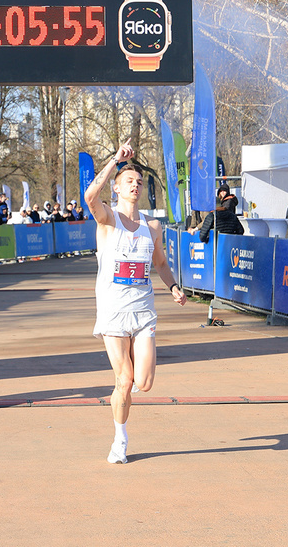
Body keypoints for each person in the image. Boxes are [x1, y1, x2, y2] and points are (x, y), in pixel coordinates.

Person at [85, 139, 186, 464]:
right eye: (129, 180)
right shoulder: (107, 220)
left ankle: (122, 394)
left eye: (140, 182)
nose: (135, 185)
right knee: (125, 380)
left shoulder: (152, 226)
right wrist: (115, 161)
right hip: (114, 313)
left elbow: (161, 264)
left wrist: (173, 287)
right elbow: (90, 196)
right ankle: (120, 439)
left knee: (144, 382)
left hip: (143, 313)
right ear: (116, 188)